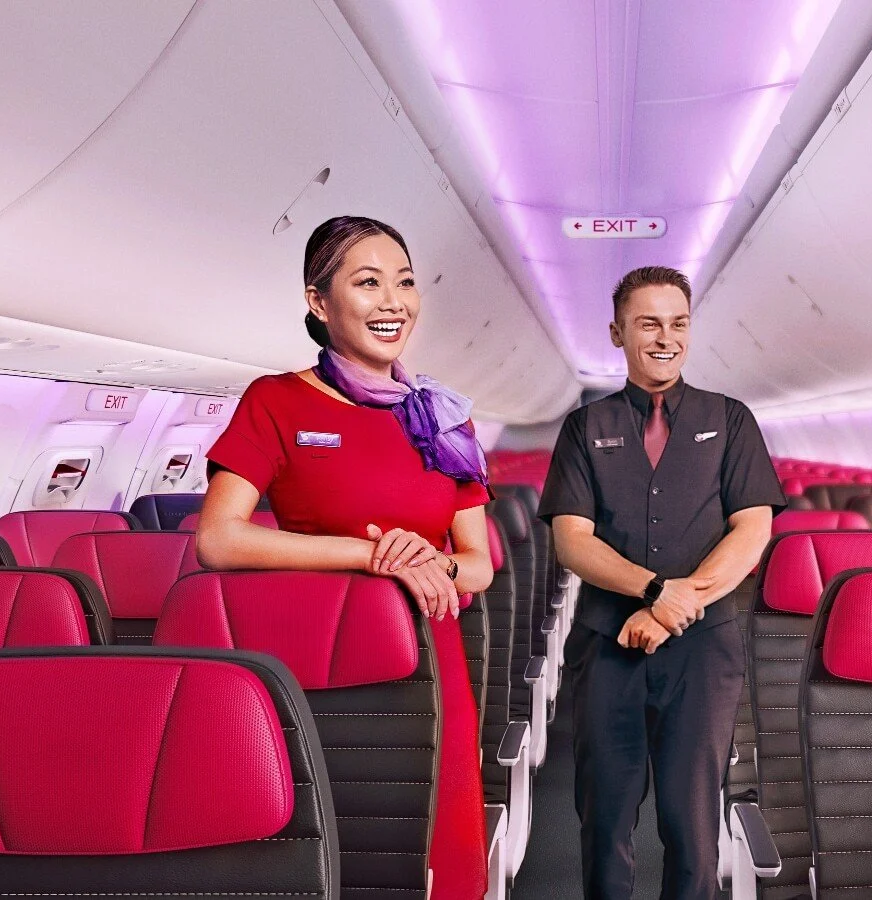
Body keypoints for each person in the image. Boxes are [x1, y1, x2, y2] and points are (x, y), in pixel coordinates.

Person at [195, 215, 491, 898]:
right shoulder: (276, 401)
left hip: (430, 661)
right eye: (368, 283)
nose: (394, 302)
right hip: (313, 661)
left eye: (405, 283)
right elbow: (219, 538)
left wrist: (433, 561)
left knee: (433, 860)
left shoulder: (441, 416)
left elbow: (477, 562)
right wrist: (370, 556)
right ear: (319, 302)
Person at [540, 265, 785, 900]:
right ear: (617, 332)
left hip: (703, 653)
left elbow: (751, 530)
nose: (665, 337)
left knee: (692, 824)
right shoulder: (584, 429)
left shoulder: (730, 420)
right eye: (648, 323)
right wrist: (656, 590)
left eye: (678, 323)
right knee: (604, 823)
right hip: (605, 647)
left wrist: (675, 607)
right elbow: (572, 539)